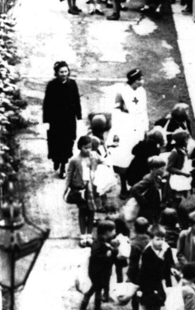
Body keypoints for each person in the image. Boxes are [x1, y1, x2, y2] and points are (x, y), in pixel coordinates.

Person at [137, 225, 177, 310]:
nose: (161, 242)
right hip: (146, 286)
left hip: (159, 286)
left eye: (163, 239)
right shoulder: (147, 252)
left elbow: (168, 267)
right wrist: (161, 256)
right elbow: (147, 271)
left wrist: (170, 283)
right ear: (151, 239)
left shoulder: (167, 250)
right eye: (158, 239)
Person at [110, 68, 149, 197]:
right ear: (132, 80)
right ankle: (123, 187)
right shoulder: (121, 93)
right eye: (139, 79)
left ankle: (136, 185)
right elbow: (116, 113)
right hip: (125, 128)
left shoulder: (141, 91)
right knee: (123, 158)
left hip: (138, 128)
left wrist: (145, 127)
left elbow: (143, 110)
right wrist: (117, 131)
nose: (141, 82)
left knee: (137, 157)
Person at [43, 61, 82, 178]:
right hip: (56, 120)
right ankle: (56, 160)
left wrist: (78, 115)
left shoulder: (72, 84)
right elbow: (47, 104)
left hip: (69, 120)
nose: (64, 74)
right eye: (61, 72)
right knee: (56, 142)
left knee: (68, 142)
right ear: (57, 73)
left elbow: (76, 100)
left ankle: (63, 167)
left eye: (66, 71)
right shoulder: (51, 85)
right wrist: (46, 121)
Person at [65, 135, 104, 247]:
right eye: (85, 147)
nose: (88, 150)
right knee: (82, 212)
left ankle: (89, 235)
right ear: (80, 147)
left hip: (93, 189)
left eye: (90, 147)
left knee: (91, 211)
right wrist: (66, 188)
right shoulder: (74, 160)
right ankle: (83, 235)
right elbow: (69, 174)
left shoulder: (94, 156)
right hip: (80, 190)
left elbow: (104, 162)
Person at [79, 219, 118, 310]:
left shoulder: (107, 241)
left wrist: (114, 250)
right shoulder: (97, 243)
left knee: (98, 292)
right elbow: (95, 257)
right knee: (90, 291)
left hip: (103, 273)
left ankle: (97, 309)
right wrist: (106, 255)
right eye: (113, 230)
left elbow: (112, 253)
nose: (115, 232)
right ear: (107, 232)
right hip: (95, 274)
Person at [126, 216, 151, 310]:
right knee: (147, 294)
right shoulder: (151, 241)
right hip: (149, 272)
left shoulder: (134, 244)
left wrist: (129, 276)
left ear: (134, 228)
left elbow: (133, 263)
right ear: (148, 228)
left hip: (137, 274)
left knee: (136, 295)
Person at [129, 156, 166, 224]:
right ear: (154, 169)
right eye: (162, 168)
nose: (164, 170)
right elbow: (134, 189)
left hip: (155, 205)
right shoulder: (149, 179)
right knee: (149, 221)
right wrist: (144, 202)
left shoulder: (157, 176)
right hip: (149, 206)